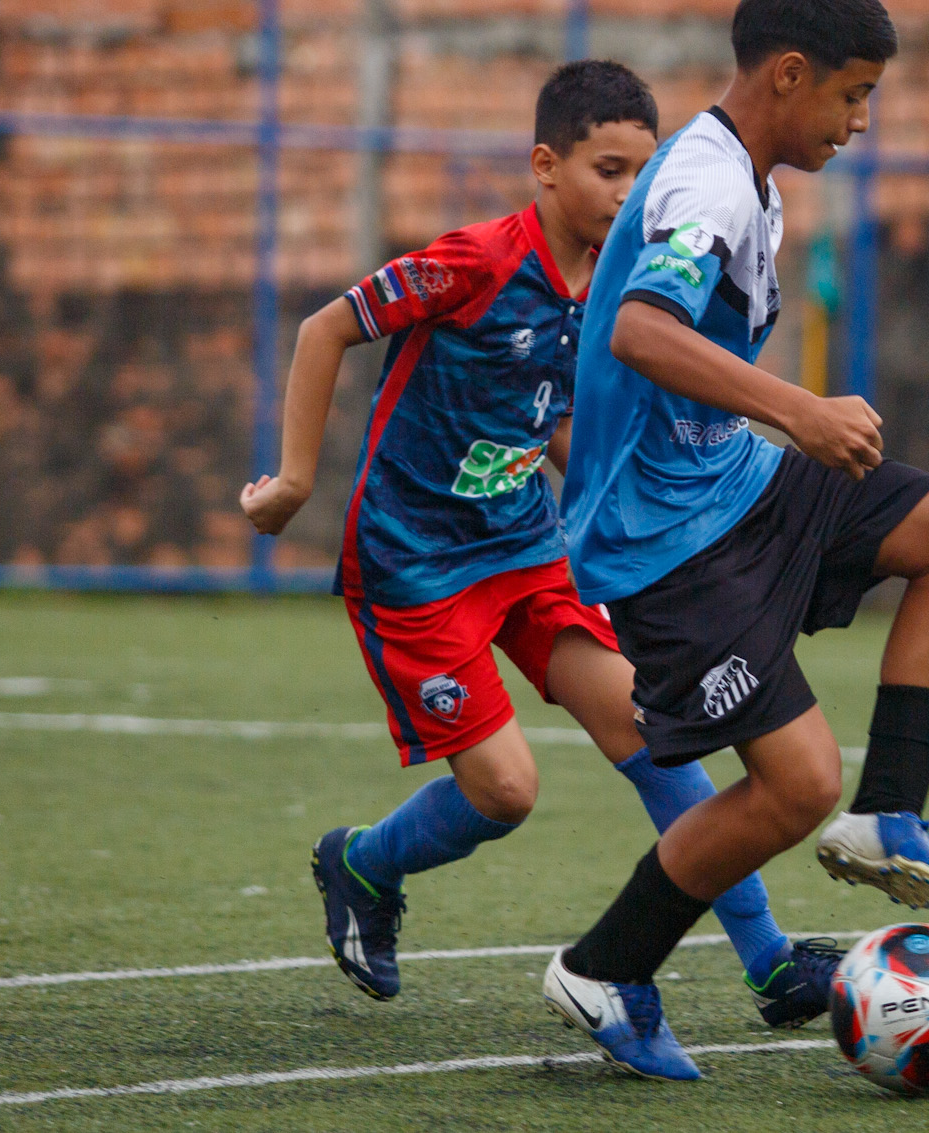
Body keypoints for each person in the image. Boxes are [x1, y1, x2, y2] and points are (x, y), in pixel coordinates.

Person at [240, 61, 824, 1029]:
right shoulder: (471, 261)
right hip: (414, 563)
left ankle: (768, 964)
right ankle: (362, 862)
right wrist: (296, 479)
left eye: (644, 174)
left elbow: (548, 417)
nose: (629, 195)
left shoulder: (616, 289)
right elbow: (322, 330)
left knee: (647, 728)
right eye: (607, 170)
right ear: (544, 166)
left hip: (524, 545)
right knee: (506, 793)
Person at [539, 0, 929, 1081]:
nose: (860, 121)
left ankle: (889, 815)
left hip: (736, 487)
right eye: (851, 95)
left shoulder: (751, 181)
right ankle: (603, 966)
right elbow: (643, 333)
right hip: (663, 542)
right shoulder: (704, 181)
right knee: (792, 786)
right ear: (789, 74)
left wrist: (781, 432)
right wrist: (799, 411)